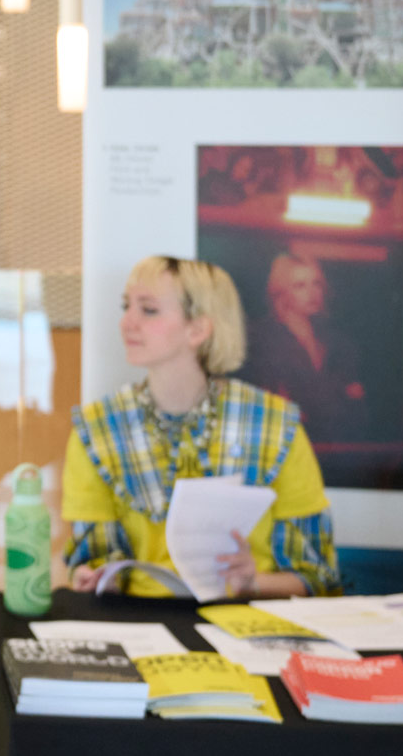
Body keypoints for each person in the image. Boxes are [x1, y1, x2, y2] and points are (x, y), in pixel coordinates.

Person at [64, 255, 339, 599]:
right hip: (140, 627)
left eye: (148, 310)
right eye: (126, 307)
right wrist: (95, 577)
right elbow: (94, 562)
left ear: (198, 329)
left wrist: (253, 582)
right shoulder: (98, 431)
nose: (127, 322)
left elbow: (318, 577)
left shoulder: (273, 425)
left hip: (250, 625)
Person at [238, 250, 367, 441]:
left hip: (336, 448)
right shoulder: (260, 338)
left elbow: (358, 410)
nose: (312, 293)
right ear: (281, 292)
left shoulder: (337, 343)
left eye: (316, 284)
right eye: (300, 285)